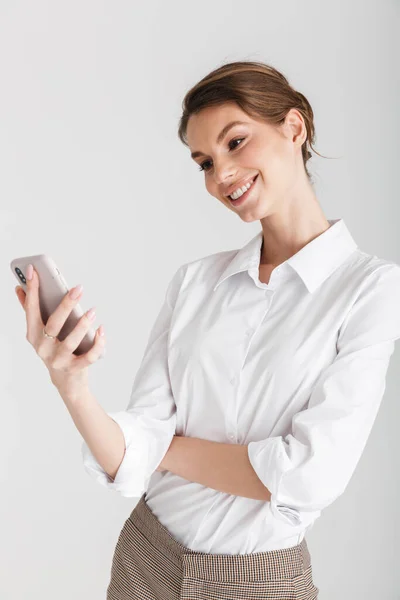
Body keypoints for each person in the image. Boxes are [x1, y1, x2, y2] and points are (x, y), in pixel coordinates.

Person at [16, 61, 400, 599]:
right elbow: (127, 461)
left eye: (235, 142)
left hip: (258, 583)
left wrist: (160, 447)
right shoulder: (196, 282)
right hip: (146, 557)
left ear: (294, 128)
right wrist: (71, 385)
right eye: (204, 162)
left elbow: (310, 476)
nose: (221, 176)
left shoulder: (371, 289)